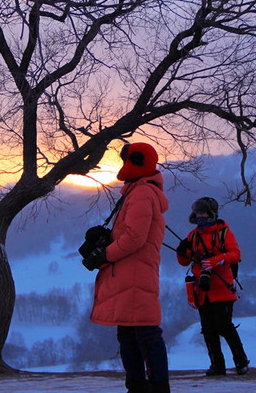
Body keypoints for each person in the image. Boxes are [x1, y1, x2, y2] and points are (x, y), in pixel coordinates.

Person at [83, 142, 171, 393]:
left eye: (126, 161)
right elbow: (133, 232)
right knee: (131, 335)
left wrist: (104, 256)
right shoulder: (138, 191)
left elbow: (135, 238)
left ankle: (152, 388)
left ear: (137, 162)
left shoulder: (142, 193)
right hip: (131, 274)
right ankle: (140, 386)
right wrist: (106, 236)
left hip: (134, 274)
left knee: (145, 335)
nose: (123, 166)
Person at [176, 197, 250, 376]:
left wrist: (214, 261)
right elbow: (184, 262)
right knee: (208, 329)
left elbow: (235, 254)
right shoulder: (193, 236)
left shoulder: (224, 233)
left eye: (204, 213)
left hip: (222, 287)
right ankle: (217, 365)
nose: (200, 216)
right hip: (202, 289)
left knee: (224, 326)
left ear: (212, 214)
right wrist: (182, 250)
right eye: (198, 213)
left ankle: (240, 361)